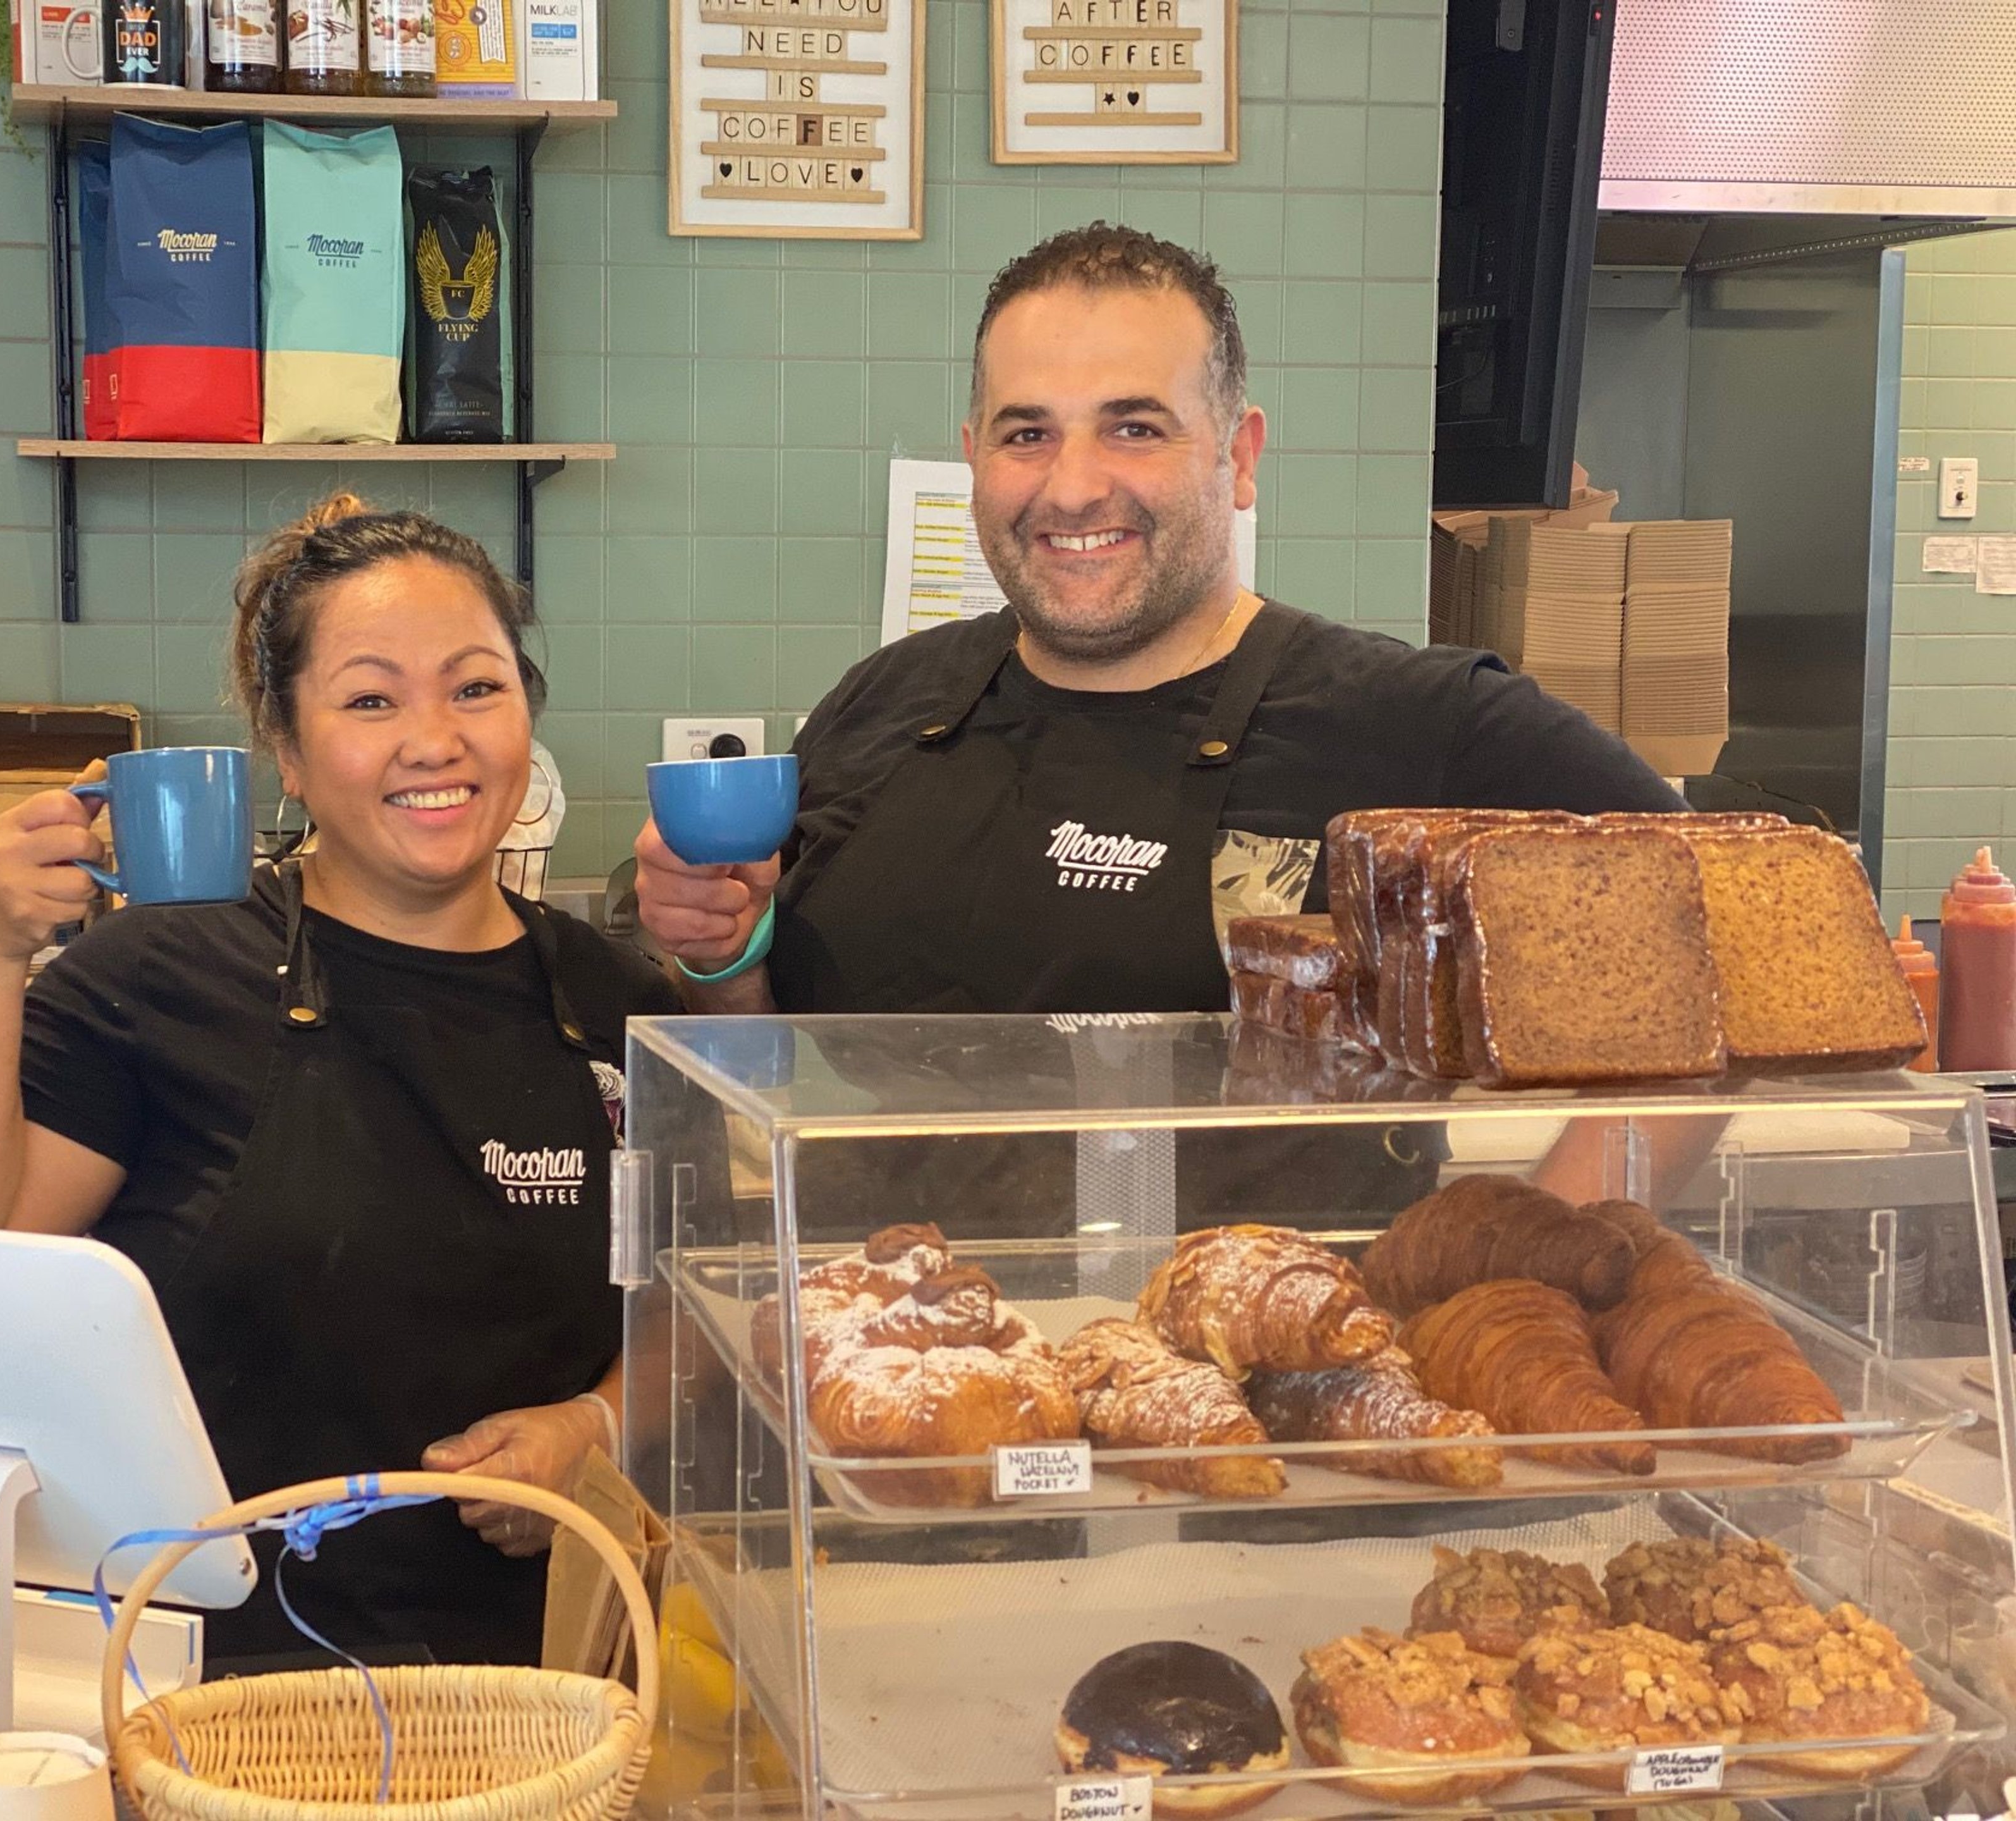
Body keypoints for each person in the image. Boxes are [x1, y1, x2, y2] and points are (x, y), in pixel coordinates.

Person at [635, 223, 1689, 1216]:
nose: (1074, 485)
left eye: (1134, 428)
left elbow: (1722, 939)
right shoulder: (881, 706)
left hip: (1259, 1388)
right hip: (886, 1357)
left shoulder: (1420, 724)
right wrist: (717, 956)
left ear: (1238, 455)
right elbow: (764, 1077)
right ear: (975, 456)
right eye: (1027, 433)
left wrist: (1521, 1282)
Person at [0, 497, 680, 1667]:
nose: (434, 738)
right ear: (288, 755)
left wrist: (592, 1424)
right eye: (369, 699)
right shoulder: (160, 974)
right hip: (215, 1689)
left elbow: (705, 1301)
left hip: (547, 1699)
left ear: (526, 716)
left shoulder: (617, 1001)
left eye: (475, 687)